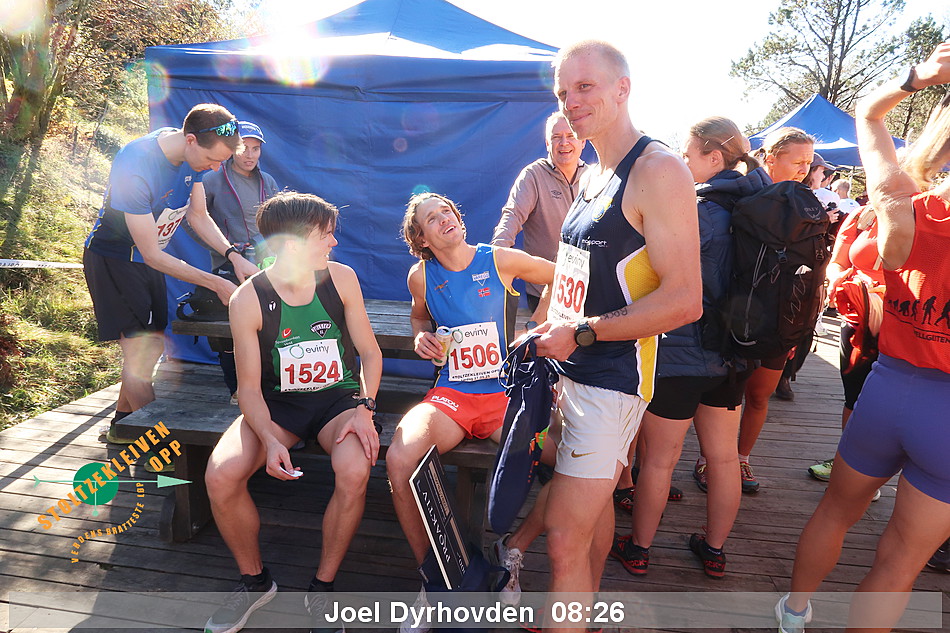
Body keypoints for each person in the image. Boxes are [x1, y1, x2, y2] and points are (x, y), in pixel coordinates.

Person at [777, 42, 950, 633]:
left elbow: (869, 114)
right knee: (900, 562)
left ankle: (792, 613)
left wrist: (922, 75)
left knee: (834, 512)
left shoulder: (906, 205)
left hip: (888, 388)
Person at [531, 40, 701, 628]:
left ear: (622, 88)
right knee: (588, 519)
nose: (570, 101)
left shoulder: (658, 170)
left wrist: (580, 334)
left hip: (613, 381)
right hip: (570, 371)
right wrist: (543, 327)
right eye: (563, 91)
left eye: (585, 86)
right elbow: (574, 272)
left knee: (561, 542)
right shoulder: (592, 171)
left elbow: (685, 300)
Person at [203, 191, 383, 633]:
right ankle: (255, 581)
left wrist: (365, 408)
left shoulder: (341, 278)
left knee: (354, 470)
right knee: (220, 475)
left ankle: (322, 588)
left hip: (338, 401)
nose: (334, 243)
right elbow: (248, 388)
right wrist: (268, 439)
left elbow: (370, 353)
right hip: (277, 405)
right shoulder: (247, 298)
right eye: (325, 235)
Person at [611, 117, 769, 580]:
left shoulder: (697, 210)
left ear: (714, 158)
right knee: (724, 457)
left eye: (687, 153)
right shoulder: (760, 205)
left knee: (660, 460)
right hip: (734, 353)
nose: (681, 161)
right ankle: (714, 549)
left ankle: (639, 548)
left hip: (682, 351)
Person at [387, 192, 554, 624]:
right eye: (432, 218)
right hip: (453, 396)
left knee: (573, 460)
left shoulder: (499, 259)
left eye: (447, 211)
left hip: (504, 395)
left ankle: (513, 547)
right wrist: (421, 337)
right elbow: (419, 316)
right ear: (421, 239)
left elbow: (561, 277)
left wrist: (537, 326)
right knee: (399, 459)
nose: (445, 218)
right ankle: (435, 579)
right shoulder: (420, 275)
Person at [83, 104, 258, 444]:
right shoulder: (136, 164)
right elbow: (151, 253)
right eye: (213, 160)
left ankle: (122, 425)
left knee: (147, 350)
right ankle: (163, 448)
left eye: (222, 161)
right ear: (190, 140)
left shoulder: (193, 158)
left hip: (147, 262)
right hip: (115, 260)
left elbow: (198, 215)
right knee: (139, 354)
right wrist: (216, 283)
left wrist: (233, 256)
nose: (216, 168)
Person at [734, 126, 816, 493]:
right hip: (739, 314)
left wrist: (802, 326)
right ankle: (710, 459)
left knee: (759, 395)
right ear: (770, 158)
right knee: (728, 396)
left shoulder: (809, 205)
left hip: (783, 319)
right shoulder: (743, 196)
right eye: (797, 161)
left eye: (808, 163)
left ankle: (741, 458)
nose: (804, 169)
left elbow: (813, 273)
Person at [198, 120, 279, 404]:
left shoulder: (267, 182)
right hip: (227, 267)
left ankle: (266, 387)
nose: (250, 155)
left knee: (267, 329)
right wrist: (225, 250)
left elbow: (278, 225)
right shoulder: (211, 180)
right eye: (244, 147)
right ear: (232, 147)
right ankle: (236, 389)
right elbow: (193, 221)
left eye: (256, 149)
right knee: (230, 331)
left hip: (265, 268)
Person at [806, 205, 884, 490]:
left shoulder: (927, 213)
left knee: (890, 400)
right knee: (855, 396)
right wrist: (839, 278)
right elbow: (837, 261)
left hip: (907, 323)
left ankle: (872, 476)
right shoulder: (865, 215)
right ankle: (847, 463)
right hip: (858, 318)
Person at [491, 111, 589, 311]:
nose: (564, 143)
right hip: (544, 292)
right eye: (556, 137)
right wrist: (495, 258)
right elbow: (512, 216)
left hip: (588, 290)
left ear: (583, 141)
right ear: (547, 144)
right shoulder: (533, 176)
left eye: (570, 136)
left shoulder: (595, 176)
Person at [774, 152, 841, 399]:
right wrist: (823, 220)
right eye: (821, 170)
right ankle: (778, 376)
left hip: (810, 275)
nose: (824, 176)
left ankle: (784, 375)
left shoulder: (812, 198)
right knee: (788, 326)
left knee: (801, 328)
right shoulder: (790, 196)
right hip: (791, 275)